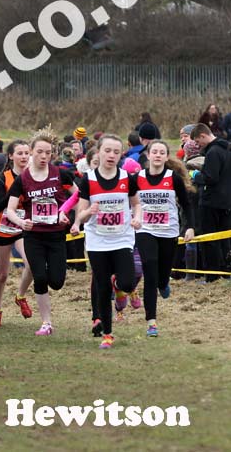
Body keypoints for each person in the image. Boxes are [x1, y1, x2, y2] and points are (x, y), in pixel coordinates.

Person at [71, 135, 143, 349]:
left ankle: (119, 286)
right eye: (107, 151)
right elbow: (81, 214)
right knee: (102, 287)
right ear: (99, 152)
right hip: (97, 241)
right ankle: (108, 334)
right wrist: (87, 213)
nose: (111, 155)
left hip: (122, 238)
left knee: (128, 282)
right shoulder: (89, 179)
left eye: (116, 151)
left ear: (121, 154)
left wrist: (137, 217)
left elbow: (136, 204)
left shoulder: (126, 178)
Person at [5, 131, 77, 338]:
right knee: (40, 277)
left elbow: (80, 195)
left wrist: (67, 214)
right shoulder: (23, 179)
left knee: (57, 281)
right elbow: (10, 209)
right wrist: (21, 222)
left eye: (48, 152)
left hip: (55, 236)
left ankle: (46, 316)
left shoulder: (60, 174)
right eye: (39, 152)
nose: (43, 156)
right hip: (33, 236)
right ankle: (46, 322)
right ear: (31, 153)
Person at [135, 140, 195, 337]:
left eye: (162, 152)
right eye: (155, 152)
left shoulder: (173, 178)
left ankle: (163, 283)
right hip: (146, 230)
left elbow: (186, 204)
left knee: (162, 274)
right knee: (150, 268)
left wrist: (190, 227)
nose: (158, 155)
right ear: (149, 155)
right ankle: (151, 321)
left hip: (169, 231)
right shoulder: (138, 178)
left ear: (166, 156)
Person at [0, 140, 34, 327]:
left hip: (23, 228)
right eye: (20, 153)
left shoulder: (34, 177)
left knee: (32, 264)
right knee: (2, 274)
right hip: (3, 228)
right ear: (11, 156)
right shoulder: (2, 179)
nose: (24, 157)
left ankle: (20, 296)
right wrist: (15, 190)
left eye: (26, 153)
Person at [189, 123, 231, 282]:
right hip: (226, 202)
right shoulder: (226, 149)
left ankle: (212, 276)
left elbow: (211, 178)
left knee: (209, 239)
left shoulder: (213, 152)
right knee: (224, 238)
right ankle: (226, 270)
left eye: (198, 142)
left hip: (211, 202)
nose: (198, 146)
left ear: (202, 136)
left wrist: (195, 175)